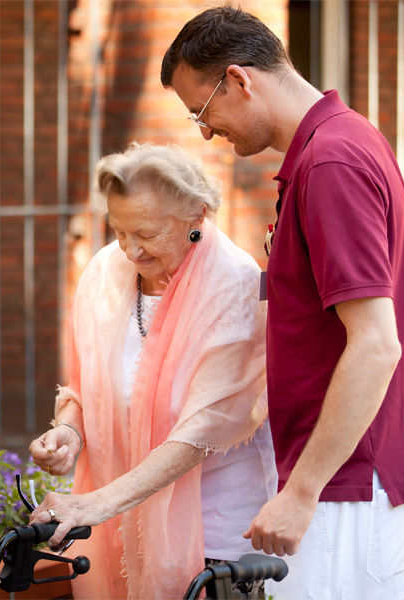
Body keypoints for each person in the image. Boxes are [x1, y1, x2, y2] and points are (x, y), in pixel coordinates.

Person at [161, 6, 404, 600]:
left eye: (201, 112)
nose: (205, 132)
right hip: (348, 475)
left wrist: (302, 492)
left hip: (346, 486)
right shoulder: (338, 141)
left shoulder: (330, 162)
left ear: (239, 80)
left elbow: (375, 344)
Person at [28, 141, 276, 599]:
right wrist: (70, 430)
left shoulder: (236, 287)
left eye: (146, 232)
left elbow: (200, 432)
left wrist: (97, 503)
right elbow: (87, 385)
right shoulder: (104, 271)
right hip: (115, 516)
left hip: (210, 532)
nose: (130, 249)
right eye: (119, 230)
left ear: (196, 217)